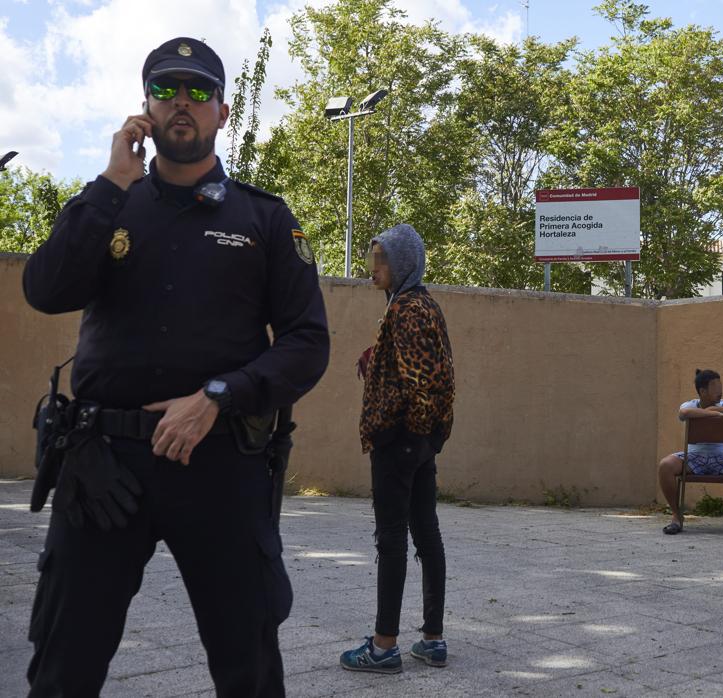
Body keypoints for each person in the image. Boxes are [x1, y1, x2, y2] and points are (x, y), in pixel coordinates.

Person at [21, 37, 330, 695]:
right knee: (61, 669)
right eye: (165, 89)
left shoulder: (264, 219)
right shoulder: (110, 204)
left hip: (218, 466)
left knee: (248, 669)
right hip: (103, 471)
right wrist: (110, 183)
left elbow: (307, 341)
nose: (181, 102)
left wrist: (220, 395)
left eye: (197, 90)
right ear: (145, 111)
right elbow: (46, 290)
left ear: (222, 112)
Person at [341, 225, 455, 673]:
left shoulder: (407, 309)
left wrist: (404, 434)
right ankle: (432, 639)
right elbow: (424, 371)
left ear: (403, 263)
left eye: (382, 260)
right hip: (421, 442)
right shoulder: (421, 304)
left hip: (401, 440)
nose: (374, 268)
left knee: (391, 540)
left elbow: (420, 382)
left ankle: (384, 645)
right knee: (426, 534)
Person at [657, 369, 723, 535]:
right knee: (665, 465)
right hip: (693, 458)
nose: (720, 391)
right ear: (702, 391)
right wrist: (710, 413)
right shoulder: (689, 404)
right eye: (715, 387)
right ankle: (676, 516)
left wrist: (716, 410)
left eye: (720, 386)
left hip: (720, 459)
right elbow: (684, 413)